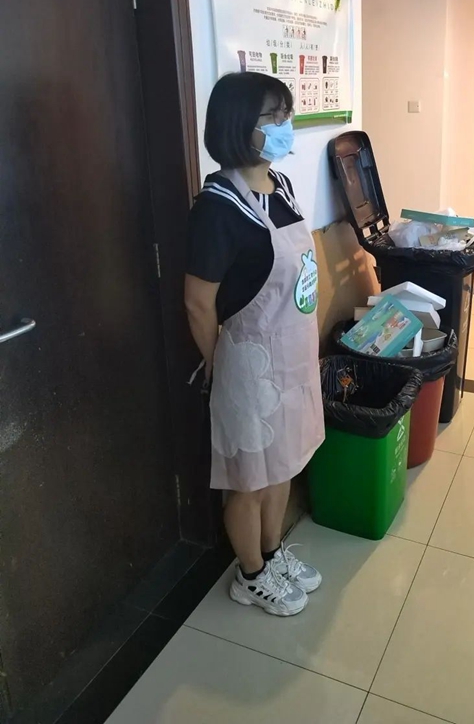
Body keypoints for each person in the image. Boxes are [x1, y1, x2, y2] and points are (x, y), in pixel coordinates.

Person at [185, 72, 324, 617]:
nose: (286, 126)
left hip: (295, 356)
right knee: (248, 480)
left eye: (287, 115)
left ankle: (271, 552)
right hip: (249, 364)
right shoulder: (217, 207)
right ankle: (250, 575)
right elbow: (199, 303)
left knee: (282, 465)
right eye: (275, 117)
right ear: (239, 124)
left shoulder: (280, 185)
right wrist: (219, 365)